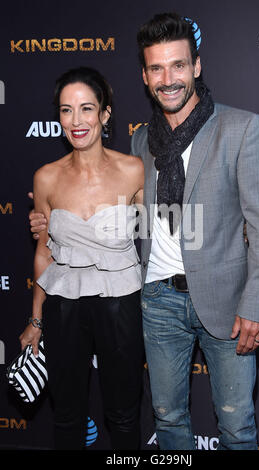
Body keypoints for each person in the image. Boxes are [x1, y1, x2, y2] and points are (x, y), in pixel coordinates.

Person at [30, 13, 259, 451]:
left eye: (178, 65)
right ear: (145, 77)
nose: (168, 79)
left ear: (196, 66)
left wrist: (257, 306)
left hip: (226, 301)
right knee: (168, 423)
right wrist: (51, 223)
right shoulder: (141, 142)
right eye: (156, 68)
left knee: (236, 427)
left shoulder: (242, 128)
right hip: (156, 301)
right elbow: (123, 215)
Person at [20, 66, 145, 450]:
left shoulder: (134, 170)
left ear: (105, 114)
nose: (76, 121)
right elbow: (45, 253)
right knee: (67, 415)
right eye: (66, 110)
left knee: (124, 416)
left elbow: (162, 234)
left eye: (86, 109)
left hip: (121, 302)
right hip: (64, 306)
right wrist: (36, 319)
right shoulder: (46, 178)